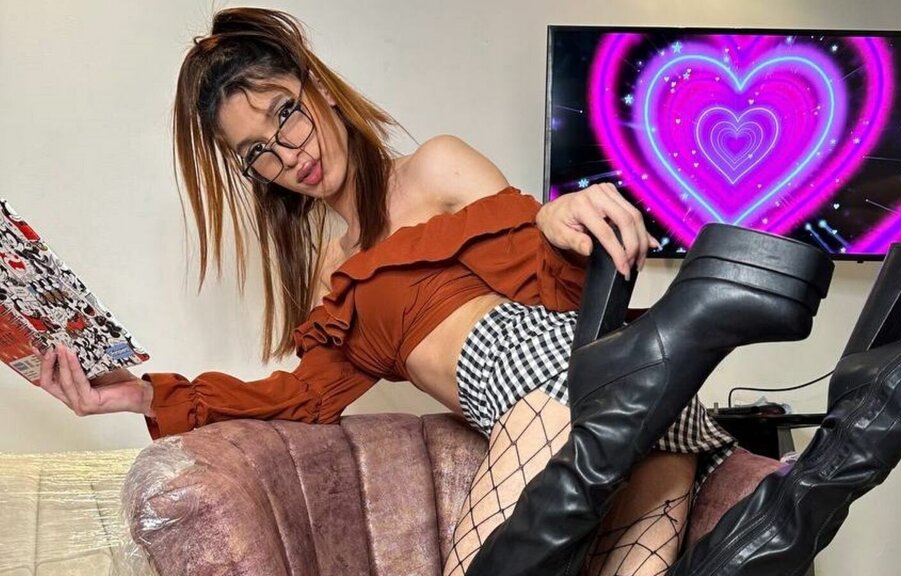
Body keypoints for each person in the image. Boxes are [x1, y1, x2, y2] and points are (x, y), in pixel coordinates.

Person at [31, 8, 747, 575]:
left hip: (556, 376)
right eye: (257, 153)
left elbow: (545, 282)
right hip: (617, 407)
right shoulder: (333, 277)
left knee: (524, 474)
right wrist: (136, 396)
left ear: (316, 86)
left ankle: (719, 319)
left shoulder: (434, 168)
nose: (289, 154)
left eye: (284, 113)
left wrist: (557, 222)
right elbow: (299, 400)